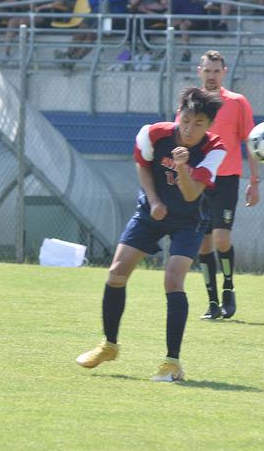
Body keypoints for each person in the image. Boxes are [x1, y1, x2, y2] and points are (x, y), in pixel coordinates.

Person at [75, 86, 225, 381]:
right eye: (186, 120)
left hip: (189, 220)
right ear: (178, 115)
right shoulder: (153, 133)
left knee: (173, 279)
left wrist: (182, 166)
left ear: (209, 126)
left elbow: (192, 193)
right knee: (116, 273)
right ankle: (108, 345)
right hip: (150, 213)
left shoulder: (215, 149)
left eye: (199, 124)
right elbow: (143, 165)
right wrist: (154, 201)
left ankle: (172, 362)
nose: (190, 129)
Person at [189, 51, 258, 320]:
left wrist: (254, 181)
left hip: (227, 179)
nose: (211, 76)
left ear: (224, 72)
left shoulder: (237, 102)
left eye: (216, 71)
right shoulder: (191, 102)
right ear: (199, 71)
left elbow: (250, 143)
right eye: (207, 71)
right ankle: (212, 302)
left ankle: (229, 289)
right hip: (198, 180)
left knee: (221, 238)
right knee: (202, 244)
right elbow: (182, 139)